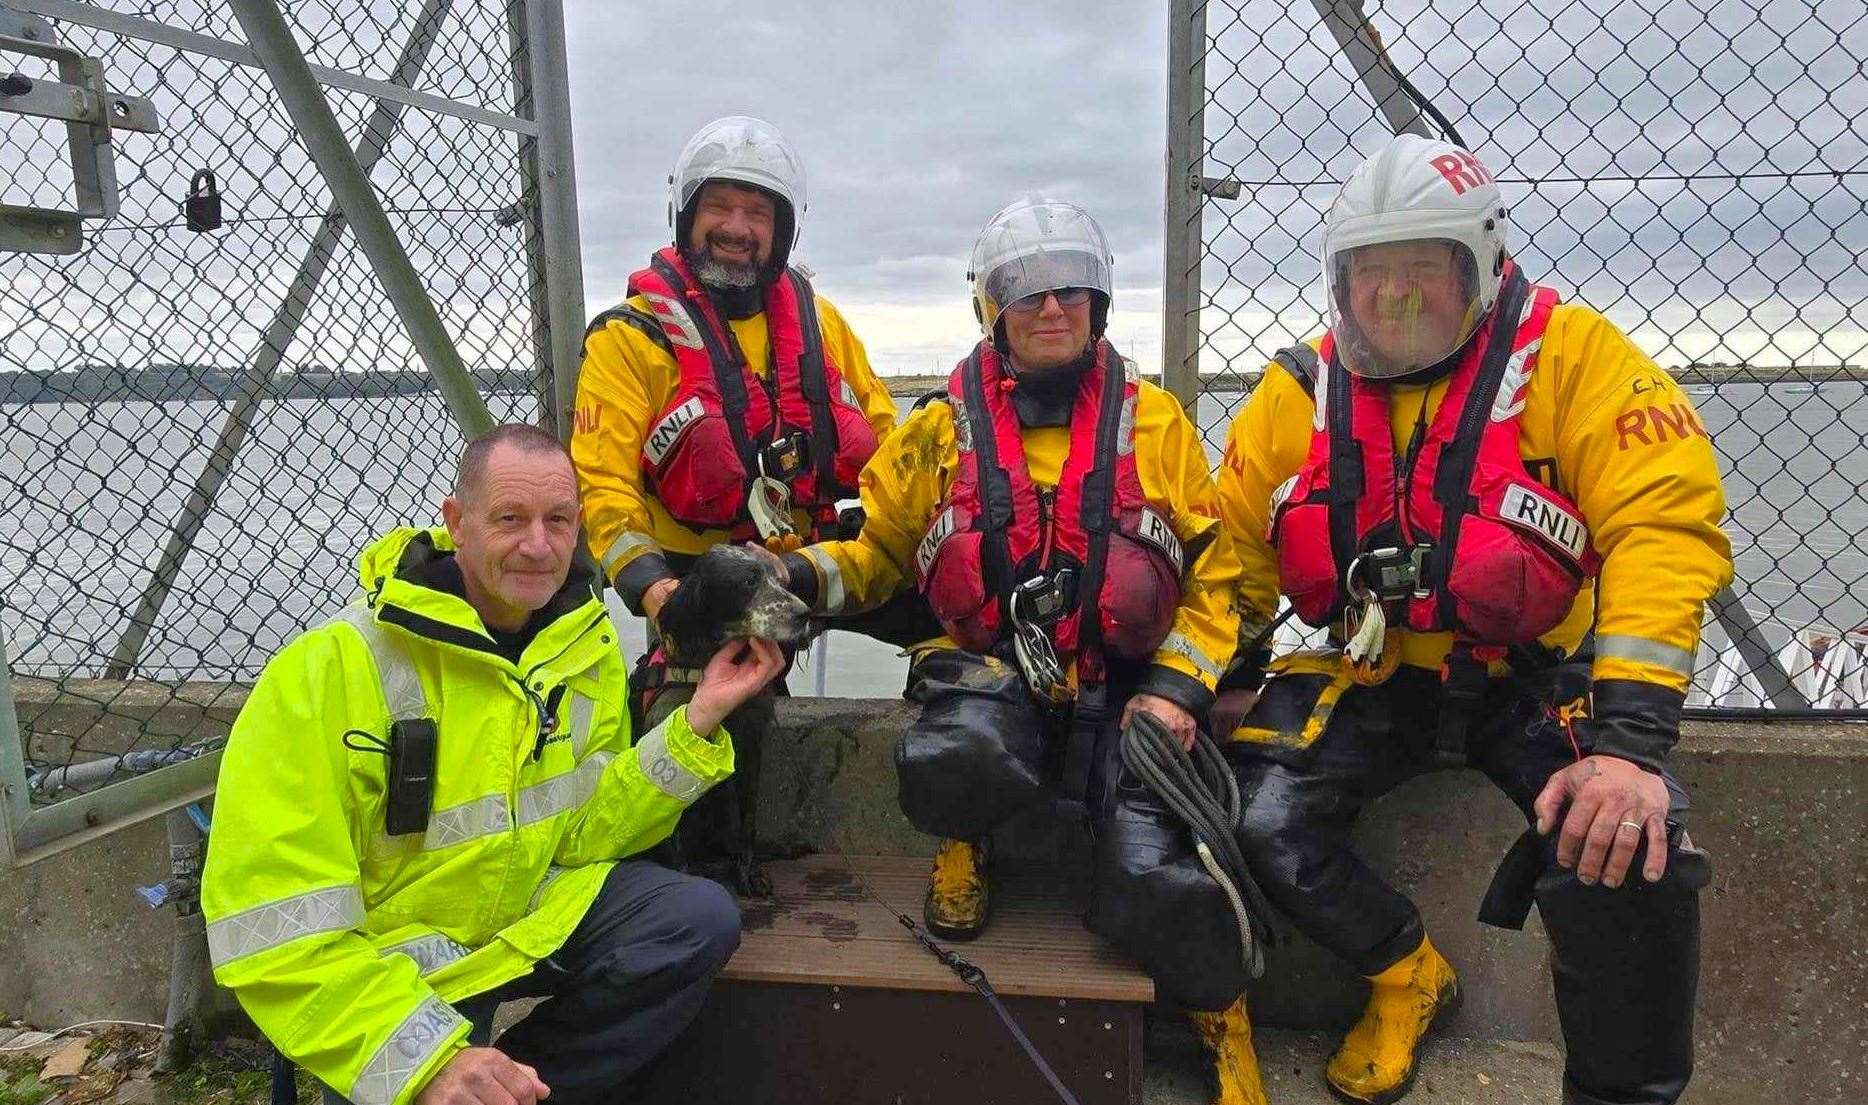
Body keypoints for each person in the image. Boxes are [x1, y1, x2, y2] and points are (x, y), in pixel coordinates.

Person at [1215, 134, 1730, 1105]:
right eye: (1372, 276)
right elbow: (1224, 551)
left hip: (1530, 678)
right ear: (1337, 281)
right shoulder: (1299, 392)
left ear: (1482, 267)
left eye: (1423, 272)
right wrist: (1194, 682)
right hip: (1372, 669)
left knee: (1627, 859)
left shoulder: (1574, 360)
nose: (1397, 299)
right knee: (1253, 809)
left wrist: (1627, 746)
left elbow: (1662, 523)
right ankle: (1402, 974)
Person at [764, 197, 1270, 1105]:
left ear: (1099, 304)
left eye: (1069, 289)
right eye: (1025, 291)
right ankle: (967, 838)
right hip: (996, 674)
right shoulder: (934, 433)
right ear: (990, 309)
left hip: (1125, 687)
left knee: (1158, 877)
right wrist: (794, 581)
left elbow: (1217, 577)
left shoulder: (1155, 426)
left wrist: (1175, 692)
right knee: (951, 751)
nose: (1049, 308)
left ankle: (1221, 1018)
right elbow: (876, 555)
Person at [201, 424, 785, 1105]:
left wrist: (697, 718)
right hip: (404, 965)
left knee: (693, 920)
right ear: (457, 521)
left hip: (525, 914)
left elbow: (589, 830)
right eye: (511, 518)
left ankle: (517, 1087)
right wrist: (428, 1063)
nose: (538, 546)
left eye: (558, 520)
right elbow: (275, 925)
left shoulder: (581, 645)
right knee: (419, 1075)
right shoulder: (327, 670)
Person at [569, 116, 914, 884]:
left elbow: (890, 448)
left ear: (781, 231)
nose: (736, 229)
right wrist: (660, 593)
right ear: (686, 218)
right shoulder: (630, 339)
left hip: (811, 561)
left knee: (954, 600)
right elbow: (602, 487)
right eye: (718, 209)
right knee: (718, 702)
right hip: (707, 578)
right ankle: (700, 858)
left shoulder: (818, 323)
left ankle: (962, 790)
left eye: (756, 213)